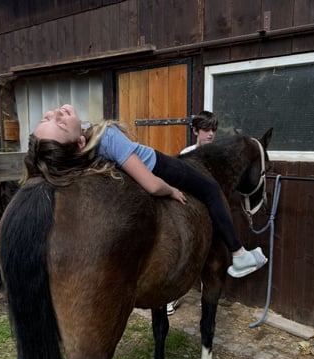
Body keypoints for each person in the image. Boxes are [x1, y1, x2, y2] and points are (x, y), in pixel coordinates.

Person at [31, 105, 267, 284]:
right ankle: (239, 254)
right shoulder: (107, 137)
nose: (56, 112)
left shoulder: (81, 154)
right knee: (212, 189)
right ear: (81, 142)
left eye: (46, 117)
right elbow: (152, 186)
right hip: (160, 166)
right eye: (60, 124)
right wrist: (170, 190)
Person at [167, 110, 219, 315]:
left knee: (211, 255)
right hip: (192, 210)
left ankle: (207, 299)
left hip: (211, 210)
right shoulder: (187, 154)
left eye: (213, 129)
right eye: (206, 129)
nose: (211, 134)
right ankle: (172, 296)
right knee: (185, 254)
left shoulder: (217, 155)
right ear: (196, 131)